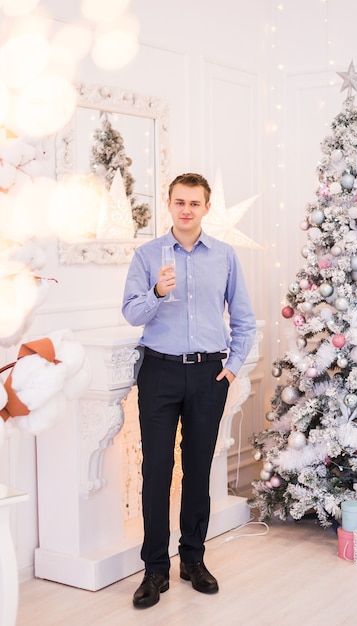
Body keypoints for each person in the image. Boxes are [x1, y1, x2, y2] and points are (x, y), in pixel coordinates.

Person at [122, 172, 256, 609]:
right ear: (169, 204)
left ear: (206, 207)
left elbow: (243, 318)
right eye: (179, 202)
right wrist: (158, 291)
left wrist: (232, 367)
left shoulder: (225, 256)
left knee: (199, 469)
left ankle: (193, 560)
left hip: (208, 376)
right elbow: (130, 312)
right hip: (158, 374)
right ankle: (155, 569)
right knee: (156, 472)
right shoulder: (146, 255)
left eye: (194, 203)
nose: (186, 210)